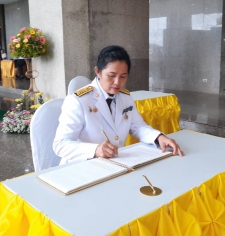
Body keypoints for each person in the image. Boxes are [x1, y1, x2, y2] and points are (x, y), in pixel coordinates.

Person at [53, 45, 184, 164]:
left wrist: (158, 137)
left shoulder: (125, 97)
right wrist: (95, 150)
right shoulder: (78, 100)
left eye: (123, 77)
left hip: (114, 165)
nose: (117, 82)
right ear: (98, 71)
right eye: (111, 76)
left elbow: (137, 127)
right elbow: (60, 144)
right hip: (83, 166)